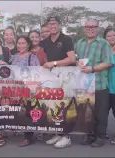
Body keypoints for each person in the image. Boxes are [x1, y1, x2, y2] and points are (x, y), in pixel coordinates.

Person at [75, 19, 114, 147]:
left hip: (99, 84)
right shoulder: (79, 43)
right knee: (87, 112)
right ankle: (90, 135)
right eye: (88, 27)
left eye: (93, 27)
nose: (90, 29)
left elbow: (108, 62)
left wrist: (92, 69)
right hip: (84, 86)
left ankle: (100, 137)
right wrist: (77, 63)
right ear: (84, 28)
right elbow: (75, 59)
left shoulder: (104, 43)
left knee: (101, 113)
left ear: (98, 28)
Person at [40, 16, 77, 149]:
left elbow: (72, 58)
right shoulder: (45, 41)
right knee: (54, 106)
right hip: (51, 78)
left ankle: (67, 136)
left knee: (65, 105)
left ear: (59, 25)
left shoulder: (66, 39)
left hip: (65, 77)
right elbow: (43, 58)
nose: (52, 26)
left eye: (55, 23)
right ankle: (58, 132)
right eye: (50, 24)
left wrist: (54, 63)